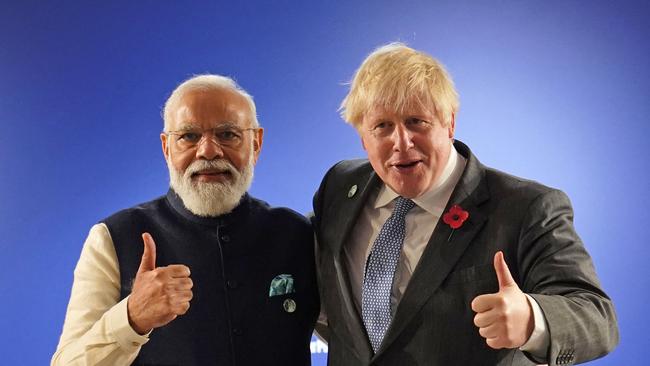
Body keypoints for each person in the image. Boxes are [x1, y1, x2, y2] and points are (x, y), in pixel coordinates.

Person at [312, 43, 618, 365]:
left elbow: (597, 318)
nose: (401, 142)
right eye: (382, 126)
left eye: (416, 121)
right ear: (363, 137)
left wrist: (532, 319)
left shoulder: (527, 208)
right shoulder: (340, 186)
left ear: (449, 122)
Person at [52, 74, 319, 366]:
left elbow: (354, 338)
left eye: (228, 134)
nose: (208, 151)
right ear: (167, 148)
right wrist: (131, 318)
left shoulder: (299, 235)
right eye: (189, 136)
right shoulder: (112, 239)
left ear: (256, 143)